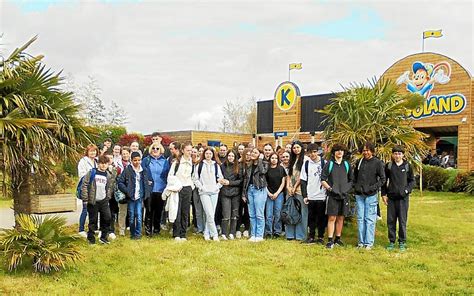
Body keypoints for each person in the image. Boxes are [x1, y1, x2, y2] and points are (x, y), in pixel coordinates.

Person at [381, 146, 415, 252]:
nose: (397, 156)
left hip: (403, 199)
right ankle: (391, 241)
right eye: (395, 153)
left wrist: (406, 191)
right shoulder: (389, 166)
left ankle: (402, 242)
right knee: (391, 221)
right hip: (391, 198)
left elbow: (412, 181)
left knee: (402, 220)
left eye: (399, 154)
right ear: (392, 155)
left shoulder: (408, 166)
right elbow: (384, 181)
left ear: (403, 155)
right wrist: (384, 194)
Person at [353, 141, 386, 250]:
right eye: (364, 150)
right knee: (360, 218)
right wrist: (356, 187)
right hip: (359, 195)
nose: (365, 152)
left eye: (367, 150)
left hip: (371, 195)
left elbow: (382, 179)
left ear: (372, 151)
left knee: (370, 219)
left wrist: (372, 188)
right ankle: (361, 242)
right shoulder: (359, 161)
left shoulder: (377, 163)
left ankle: (369, 243)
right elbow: (355, 177)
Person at [321, 143, 353, 249]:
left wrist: (346, 189)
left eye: (341, 150)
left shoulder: (347, 165)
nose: (339, 152)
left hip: (344, 195)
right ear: (334, 152)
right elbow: (323, 180)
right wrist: (331, 189)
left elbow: (351, 180)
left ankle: (337, 239)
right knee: (332, 217)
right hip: (332, 195)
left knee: (341, 217)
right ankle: (330, 240)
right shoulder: (329, 164)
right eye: (337, 150)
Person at [81, 155, 116, 244]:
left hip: (103, 200)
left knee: (107, 218)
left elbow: (109, 187)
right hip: (93, 200)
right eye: (102, 163)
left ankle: (103, 237)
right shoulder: (92, 172)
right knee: (93, 220)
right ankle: (91, 239)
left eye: (106, 164)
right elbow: (85, 184)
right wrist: (85, 198)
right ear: (98, 164)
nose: (104, 165)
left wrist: (108, 196)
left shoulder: (108, 175)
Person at [193, 147, 224, 241]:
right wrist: (201, 188)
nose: (208, 155)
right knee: (209, 213)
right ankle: (214, 234)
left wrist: (217, 187)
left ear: (213, 155)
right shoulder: (199, 165)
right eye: (206, 153)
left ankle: (206, 233)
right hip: (204, 193)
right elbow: (195, 179)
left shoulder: (216, 165)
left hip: (214, 192)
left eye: (210, 154)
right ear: (204, 154)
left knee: (210, 214)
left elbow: (221, 178)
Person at [118, 151, 149, 240]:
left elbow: (148, 182)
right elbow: (120, 182)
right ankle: (132, 233)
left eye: (139, 160)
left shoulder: (144, 170)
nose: (137, 162)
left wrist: (146, 192)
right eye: (135, 160)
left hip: (139, 197)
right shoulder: (128, 170)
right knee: (131, 216)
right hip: (131, 197)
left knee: (139, 216)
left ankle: (138, 234)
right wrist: (127, 191)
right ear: (131, 160)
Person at [300, 143, 327, 244]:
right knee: (311, 217)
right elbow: (303, 180)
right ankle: (311, 236)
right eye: (310, 152)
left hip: (322, 195)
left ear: (318, 152)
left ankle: (320, 237)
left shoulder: (324, 163)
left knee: (321, 217)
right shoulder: (306, 164)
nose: (313, 154)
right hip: (311, 195)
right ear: (308, 153)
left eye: (315, 152)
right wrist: (305, 195)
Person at [142, 143, 170, 236]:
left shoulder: (165, 161)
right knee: (149, 210)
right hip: (150, 189)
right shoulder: (146, 160)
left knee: (159, 210)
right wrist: (146, 181)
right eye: (153, 148)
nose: (155, 150)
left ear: (161, 150)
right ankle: (148, 229)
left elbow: (168, 175)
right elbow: (141, 173)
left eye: (157, 148)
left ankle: (157, 229)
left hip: (161, 189)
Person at [169, 142, 194, 241]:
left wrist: (191, 186)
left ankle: (183, 234)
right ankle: (176, 234)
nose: (189, 152)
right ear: (183, 150)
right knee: (177, 211)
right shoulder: (176, 163)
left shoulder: (192, 162)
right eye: (188, 150)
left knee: (185, 212)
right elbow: (170, 176)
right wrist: (176, 185)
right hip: (178, 188)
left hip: (187, 188)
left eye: (191, 150)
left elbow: (193, 176)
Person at [242, 148, 268, 242]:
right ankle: (253, 234)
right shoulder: (248, 165)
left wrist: (260, 159)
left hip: (259, 190)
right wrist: (244, 194)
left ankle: (259, 235)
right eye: (252, 152)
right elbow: (246, 180)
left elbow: (262, 171)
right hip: (250, 190)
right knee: (252, 214)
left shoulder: (264, 163)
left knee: (259, 214)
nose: (253, 154)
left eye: (255, 152)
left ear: (260, 155)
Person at [285, 141, 308, 241]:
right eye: (294, 148)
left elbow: (302, 176)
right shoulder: (292, 159)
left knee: (302, 212)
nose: (296, 149)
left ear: (302, 148)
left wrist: (294, 187)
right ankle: (290, 235)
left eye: (298, 147)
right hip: (290, 189)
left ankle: (301, 235)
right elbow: (289, 174)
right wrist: (288, 187)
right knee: (290, 211)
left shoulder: (306, 159)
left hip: (300, 189)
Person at [220, 150, 243, 240]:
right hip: (225, 192)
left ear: (235, 157)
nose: (230, 157)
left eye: (232, 156)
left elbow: (240, 181)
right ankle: (224, 233)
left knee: (234, 214)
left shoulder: (238, 167)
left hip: (235, 193)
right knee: (226, 214)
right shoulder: (222, 166)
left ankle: (232, 233)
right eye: (229, 155)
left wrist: (230, 182)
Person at [77, 144, 99, 238]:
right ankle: (81, 229)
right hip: (86, 188)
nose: (93, 153)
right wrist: (91, 175)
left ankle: (93, 228)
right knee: (85, 209)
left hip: (95, 188)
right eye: (91, 151)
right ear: (87, 152)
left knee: (94, 209)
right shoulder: (83, 161)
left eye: (94, 151)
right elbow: (82, 175)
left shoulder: (96, 161)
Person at [264, 152, 287, 238]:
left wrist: (277, 193)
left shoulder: (281, 169)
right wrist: (269, 193)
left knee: (278, 214)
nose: (274, 160)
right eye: (272, 158)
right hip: (268, 194)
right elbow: (264, 182)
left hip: (279, 194)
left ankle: (277, 231)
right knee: (269, 214)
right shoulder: (266, 169)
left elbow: (283, 182)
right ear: (270, 159)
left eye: (275, 158)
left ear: (278, 159)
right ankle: (268, 232)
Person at [236, 148, 252, 239]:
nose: (248, 156)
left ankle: (246, 228)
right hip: (239, 190)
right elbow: (239, 178)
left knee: (247, 211)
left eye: (250, 154)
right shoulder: (239, 165)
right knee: (238, 210)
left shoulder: (253, 165)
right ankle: (238, 229)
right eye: (247, 154)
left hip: (249, 191)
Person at [191, 146, 205, 234]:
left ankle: (206, 227)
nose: (194, 153)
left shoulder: (203, 163)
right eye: (192, 151)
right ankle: (199, 228)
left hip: (204, 188)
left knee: (206, 209)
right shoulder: (189, 162)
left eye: (195, 152)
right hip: (195, 189)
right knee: (198, 210)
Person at [117, 146, 130, 236]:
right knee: (122, 211)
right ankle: (121, 229)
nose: (125, 155)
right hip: (122, 191)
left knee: (132, 211)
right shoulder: (118, 165)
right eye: (123, 153)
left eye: (126, 153)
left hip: (132, 191)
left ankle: (131, 227)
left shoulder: (133, 163)